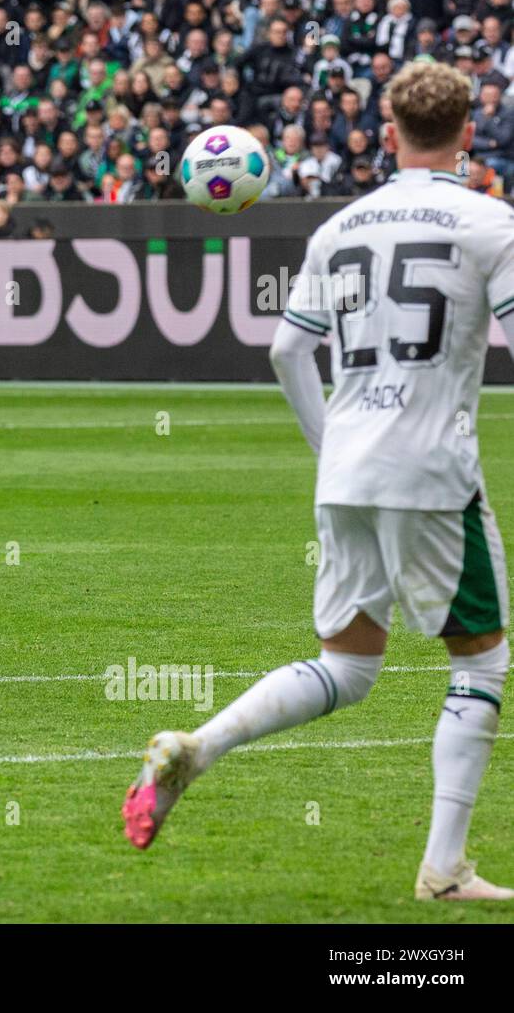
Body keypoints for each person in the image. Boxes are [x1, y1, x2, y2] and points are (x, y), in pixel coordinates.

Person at [123, 61, 513, 902]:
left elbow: (286, 349)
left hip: (348, 465)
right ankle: (444, 868)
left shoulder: (341, 227)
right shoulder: (491, 223)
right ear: (469, 135)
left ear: (387, 131)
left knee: (348, 666)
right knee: (480, 665)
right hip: (435, 470)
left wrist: (329, 441)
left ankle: (200, 745)